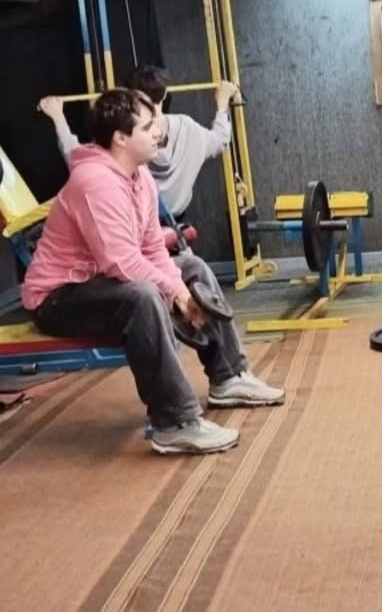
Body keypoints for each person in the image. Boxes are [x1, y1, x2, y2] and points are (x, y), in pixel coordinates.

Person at [21, 88, 283, 456]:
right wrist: (177, 294)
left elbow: (152, 249)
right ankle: (174, 423)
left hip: (100, 282)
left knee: (192, 266)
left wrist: (180, 286)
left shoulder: (139, 176)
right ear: (120, 138)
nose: (159, 131)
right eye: (147, 127)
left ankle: (228, 376)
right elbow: (121, 262)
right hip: (57, 298)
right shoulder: (94, 182)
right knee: (142, 296)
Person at [38, 65, 239, 219]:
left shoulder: (127, 137)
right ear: (165, 94)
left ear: (131, 98)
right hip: (172, 218)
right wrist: (222, 104)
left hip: (140, 223)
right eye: (148, 128)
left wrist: (59, 118)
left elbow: (80, 161)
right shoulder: (188, 128)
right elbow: (220, 139)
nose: (156, 135)